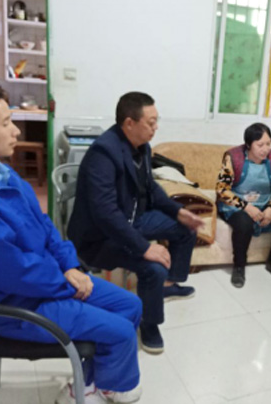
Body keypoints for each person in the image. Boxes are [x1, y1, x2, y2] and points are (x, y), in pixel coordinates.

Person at [0, 87, 142, 404]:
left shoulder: (2, 173)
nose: (16, 131)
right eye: (5, 123)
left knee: (130, 306)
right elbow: (11, 271)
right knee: (122, 332)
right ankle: (87, 390)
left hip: (43, 283)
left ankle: (93, 384)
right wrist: (66, 283)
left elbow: (44, 226)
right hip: (12, 303)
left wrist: (70, 266)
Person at [68, 92, 204, 355]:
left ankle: (167, 286)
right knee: (153, 267)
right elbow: (105, 214)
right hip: (102, 236)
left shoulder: (143, 147)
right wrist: (144, 247)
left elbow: (150, 188)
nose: (156, 127)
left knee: (186, 229)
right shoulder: (103, 153)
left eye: (156, 121)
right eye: (151, 122)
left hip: (133, 219)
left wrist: (177, 212)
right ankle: (149, 323)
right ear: (129, 123)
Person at [215, 123, 271, 287]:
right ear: (248, 144)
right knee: (244, 223)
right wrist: (247, 207)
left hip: (264, 202)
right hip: (236, 205)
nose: (265, 149)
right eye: (260, 145)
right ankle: (239, 266)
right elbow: (221, 189)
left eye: (268, 144)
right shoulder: (233, 158)